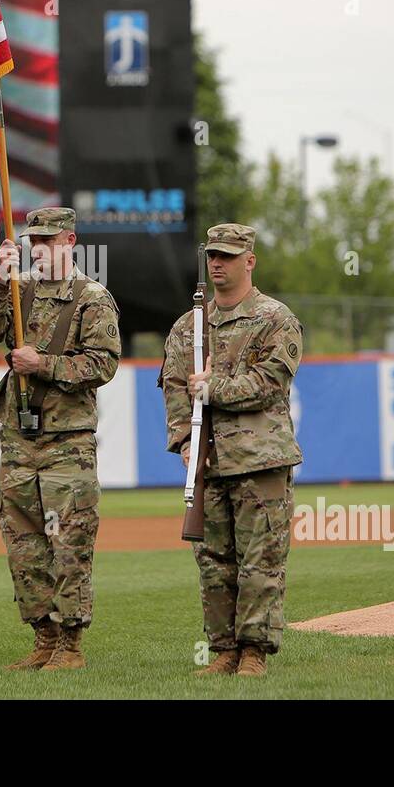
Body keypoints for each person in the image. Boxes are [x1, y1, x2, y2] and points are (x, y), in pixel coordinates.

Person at [160, 223, 303, 677]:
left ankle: (254, 652)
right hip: (208, 462)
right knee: (213, 561)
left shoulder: (276, 318)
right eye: (212, 256)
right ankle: (223, 649)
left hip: (261, 458)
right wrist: (184, 441)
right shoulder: (188, 326)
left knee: (260, 560)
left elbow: (269, 385)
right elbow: (176, 388)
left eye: (227, 255)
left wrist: (214, 387)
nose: (217, 263)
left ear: (250, 260)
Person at [0, 207, 121, 671]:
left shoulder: (91, 298)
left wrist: (41, 364)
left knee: (69, 543)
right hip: (19, 438)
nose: (39, 249)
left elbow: (102, 365)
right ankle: (43, 637)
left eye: (48, 240)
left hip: (67, 439)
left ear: (70, 240)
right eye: (33, 241)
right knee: (23, 545)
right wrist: (0, 283)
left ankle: (71, 645)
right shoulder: (20, 291)